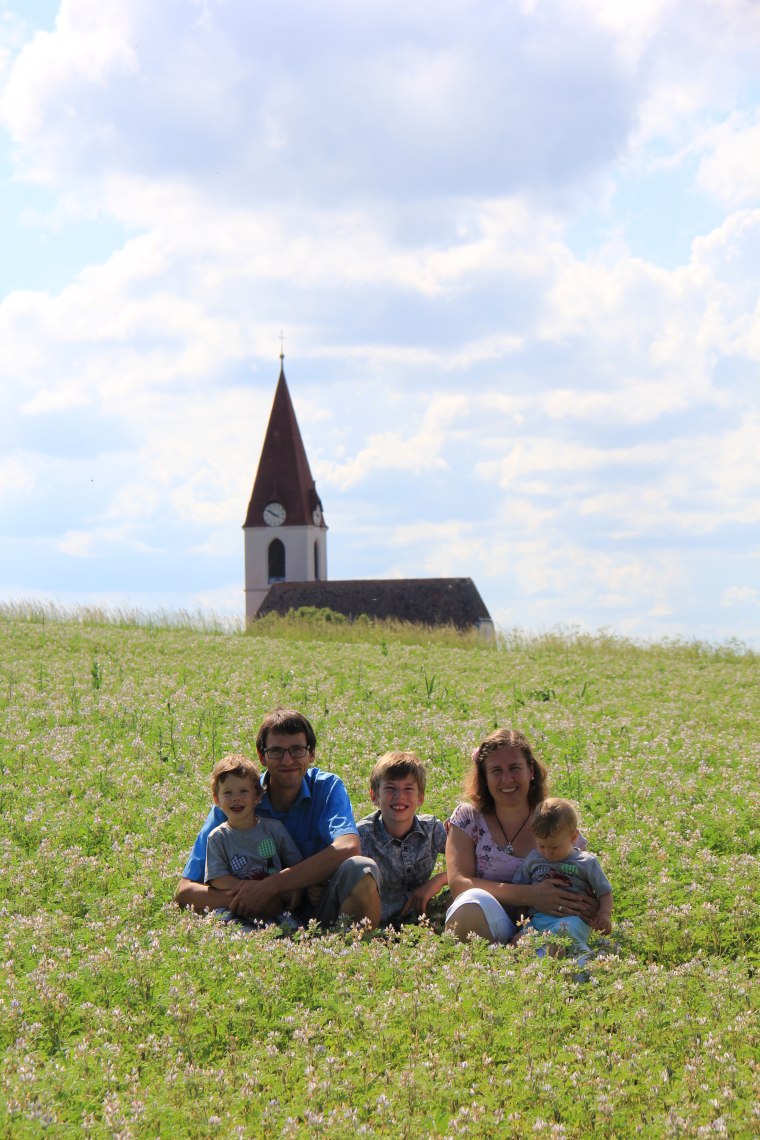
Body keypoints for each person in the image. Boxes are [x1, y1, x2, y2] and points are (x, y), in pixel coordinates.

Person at [176, 708, 381, 928]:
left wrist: (271, 887)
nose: (287, 760)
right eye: (276, 751)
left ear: (311, 754)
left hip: (319, 909)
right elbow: (185, 891)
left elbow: (348, 847)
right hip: (254, 920)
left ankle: (347, 954)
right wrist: (252, 899)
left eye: (297, 750)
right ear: (262, 756)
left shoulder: (326, 787)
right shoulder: (237, 800)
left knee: (362, 869)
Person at [444, 728, 599, 944]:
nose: (507, 779)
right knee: (470, 902)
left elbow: (582, 878)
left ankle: (536, 963)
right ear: (484, 777)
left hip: (542, 926)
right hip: (488, 924)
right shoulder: (468, 817)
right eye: (496, 770)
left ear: (531, 771)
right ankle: (493, 967)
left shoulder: (553, 818)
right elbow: (460, 884)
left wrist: (588, 903)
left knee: (565, 933)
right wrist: (530, 895)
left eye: (514, 768)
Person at [204, 753, 304, 924]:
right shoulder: (217, 837)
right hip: (236, 904)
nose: (236, 798)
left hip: (275, 901)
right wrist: (251, 892)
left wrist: (296, 890)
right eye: (228, 792)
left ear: (257, 797)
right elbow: (218, 878)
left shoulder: (274, 829)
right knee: (225, 924)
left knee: (291, 926)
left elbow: (296, 865)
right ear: (217, 800)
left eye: (244, 791)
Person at [513, 797, 612, 959]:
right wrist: (522, 922)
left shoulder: (586, 862)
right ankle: (542, 964)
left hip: (573, 920)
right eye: (541, 846)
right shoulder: (534, 859)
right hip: (539, 920)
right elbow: (520, 890)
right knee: (517, 944)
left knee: (564, 933)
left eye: (554, 847)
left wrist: (605, 915)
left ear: (573, 837)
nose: (547, 853)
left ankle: (577, 964)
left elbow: (605, 892)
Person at [357, 751, 448, 927]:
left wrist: (439, 880)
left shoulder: (431, 829)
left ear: (420, 797)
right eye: (390, 788)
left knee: (462, 891)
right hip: (375, 927)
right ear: (374, 796)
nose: (399, 796)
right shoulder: (362, 836)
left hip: (421, 919)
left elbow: (471, 864)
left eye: (408, 788)